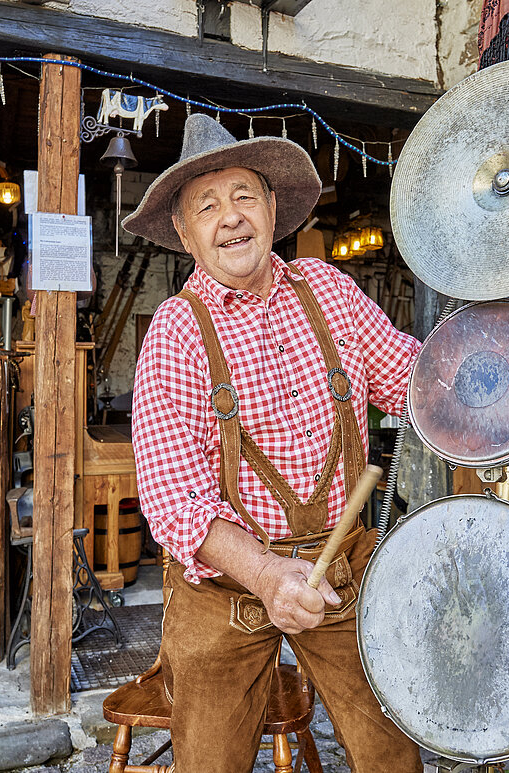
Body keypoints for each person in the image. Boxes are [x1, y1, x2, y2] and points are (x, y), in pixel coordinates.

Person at [124, 113, 424, 772]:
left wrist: (486, 365)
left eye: (242, 197)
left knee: (392, 748)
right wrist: (263, 572)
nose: (229, 217)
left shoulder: (329, 290)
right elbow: (174, 500)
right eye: (207, 205)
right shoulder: (176, 332)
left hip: (340, 571)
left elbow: (410, 379)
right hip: (223, 591)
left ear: (270, 207)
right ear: (184, 232)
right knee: (209, 760)